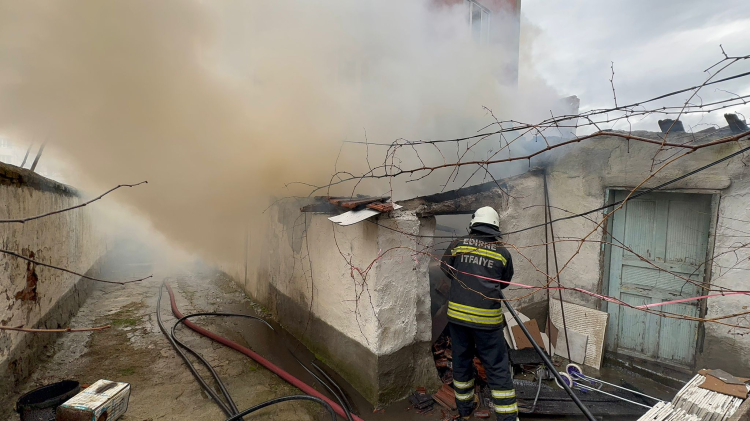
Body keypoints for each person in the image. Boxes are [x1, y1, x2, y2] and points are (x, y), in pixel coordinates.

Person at [440, 206, 517, 421]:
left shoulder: (457, 244)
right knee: (497, 368)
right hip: (487, 323)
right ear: (495, 227)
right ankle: (507, 418)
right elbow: (504, 282)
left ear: (473, 224)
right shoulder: (502, 253)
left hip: (458, 320)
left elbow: (446, 269)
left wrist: (465, 278)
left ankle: (465, 409)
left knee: (461, 361)